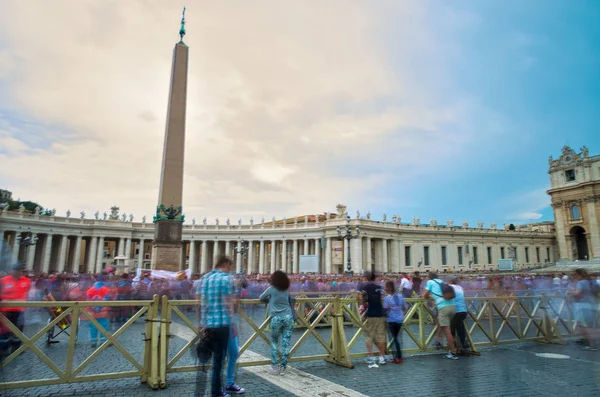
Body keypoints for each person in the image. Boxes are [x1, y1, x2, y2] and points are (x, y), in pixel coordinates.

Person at [198, 256, 235, 397]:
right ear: (225, 264)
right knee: (219, 360)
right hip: (222, 324)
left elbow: (203, 303)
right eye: (230, 267)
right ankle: (217, 392)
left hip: (209, 324)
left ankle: (216, 391)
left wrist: (203, 324)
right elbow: (228, 303)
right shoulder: (226, 279)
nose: (230, 270)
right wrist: (232, 319)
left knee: (215, 360)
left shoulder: (206, 278)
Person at [260, 270, 294, 375]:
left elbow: (261, 298)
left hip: (276, 318)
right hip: (288, 317)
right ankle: (283, 366)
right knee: (286, 343)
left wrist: (269, 301)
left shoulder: (271, 289)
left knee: (274, 342)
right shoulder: (286, 290)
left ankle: (274, 366)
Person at [423, 272, 458, 360]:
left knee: (447, 331)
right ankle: (438, 340)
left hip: (443, 307)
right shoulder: (442, 282)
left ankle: (453, 352)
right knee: (441, 323)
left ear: (429, 277)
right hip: (453, 307)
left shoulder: (430, 282)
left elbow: (424, 295)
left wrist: (428, 295)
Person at [358, 272, 387, 367]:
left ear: (367, 278)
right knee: (381, 336)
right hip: (381, 313)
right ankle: (382, 357)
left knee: (369, 335)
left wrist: (362, 303)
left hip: (371, 313)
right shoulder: (379, 287)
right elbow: (383, 297)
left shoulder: (366, 287)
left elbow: (361, 296)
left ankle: (371, 356)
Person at [0, 264, 31, 351]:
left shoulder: (27, 281)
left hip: (19, 310)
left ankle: (16, 347)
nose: (17, 272)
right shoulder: (3, 281)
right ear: (11, 271)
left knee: (18, 329)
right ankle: (3, 348)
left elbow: (27, 294)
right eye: (15, 270)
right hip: (6, 310)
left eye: (19, 271)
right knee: (4, 330)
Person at [224, 277, 246, 395]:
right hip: (220, 325)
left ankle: (229, 383)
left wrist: (241, 322)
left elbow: (236, 308)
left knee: (234, 353)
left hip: (231, 324)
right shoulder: (221, 293)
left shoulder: (235, 293)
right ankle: (220, 386)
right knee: (221, 356)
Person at [569, 269, 597, 351]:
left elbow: (577, 293)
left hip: (582, 306)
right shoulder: (589, 281)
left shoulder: (581, 282)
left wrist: (570, 292)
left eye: (575, 274)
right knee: (582, 325)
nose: (573, 276)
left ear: (579, 275)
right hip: (588, 304)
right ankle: (586, 340)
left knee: (586, 326)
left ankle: (592, 344)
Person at [383, 280, 405, 364]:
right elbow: (404, 308)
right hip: (400, 319)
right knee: (397, 338)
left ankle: (397, 356)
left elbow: (385, 309)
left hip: (391, 319)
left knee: (393, 339)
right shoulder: (400, 296)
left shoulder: (386, 298)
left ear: (388, 288)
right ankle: (400, 356)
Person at [85, 280, 112, 348]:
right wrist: (99, 307)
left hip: (92, 314)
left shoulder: (90, 291)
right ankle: (104, 341)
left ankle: (93, 341)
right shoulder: (105, 290)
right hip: (102, 313)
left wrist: (92, 308)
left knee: (93, 327)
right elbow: (106, 299)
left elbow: (87, 301)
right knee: (104, 327)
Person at [449, 277, 470, 355]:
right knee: (460, 327)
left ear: (450, 281)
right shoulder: (460, 287)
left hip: (456, 310)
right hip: (463, 310)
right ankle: (463, 346)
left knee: (452, 328)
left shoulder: (450, 287)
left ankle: (454, 348)